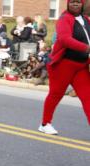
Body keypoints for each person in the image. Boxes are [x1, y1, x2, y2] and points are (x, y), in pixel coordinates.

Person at [39, 0, 90, 134]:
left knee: (88, 97)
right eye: (72, 2)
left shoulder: (86, 20)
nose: (75, 4)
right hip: (63, 65)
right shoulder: (64, 19)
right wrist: (87, 48)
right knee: (56, 94)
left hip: (81, 66)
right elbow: (64, 39)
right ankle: (45, 124)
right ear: (68, 4)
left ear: (82, 4)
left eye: (78, 2)